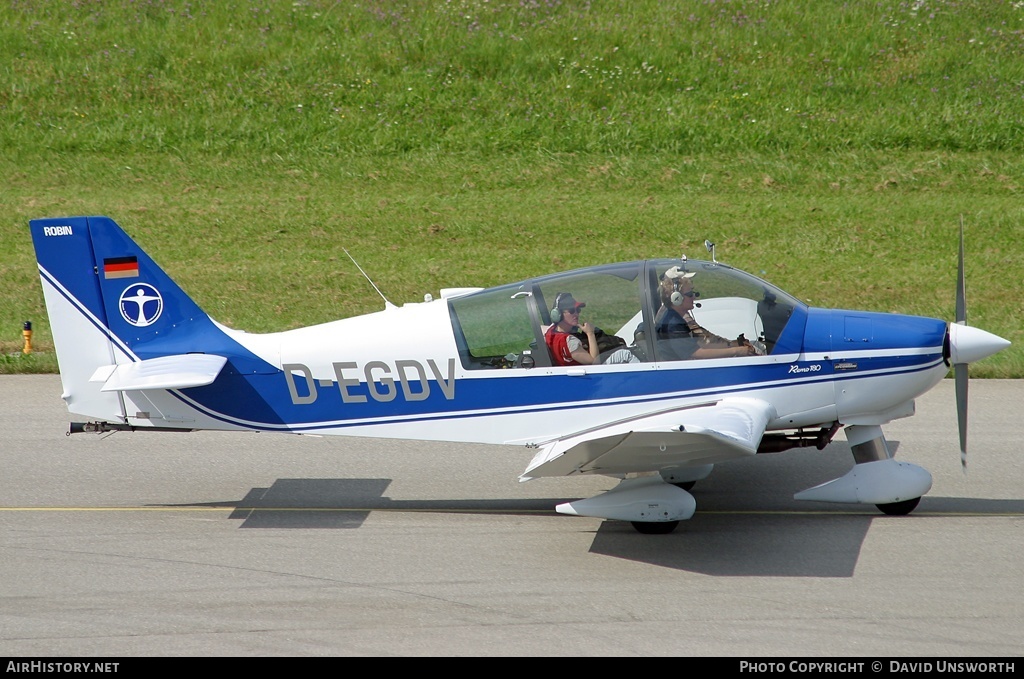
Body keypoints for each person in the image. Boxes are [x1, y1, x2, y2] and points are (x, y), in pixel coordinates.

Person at [654, 266, 761, 360]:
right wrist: (736, 351)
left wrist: (733, 345)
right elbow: (697, 353)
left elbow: (701, 344)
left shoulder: (674, 316)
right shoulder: (674, 324)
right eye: (690, 294)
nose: (694, 297)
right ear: (677, 298)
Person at [544, 292, 637, 366]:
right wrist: (590, 333)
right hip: (588, 375)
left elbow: (542, 328)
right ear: (557, 314)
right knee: (625, 354)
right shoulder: (570, 341)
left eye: (578, 310)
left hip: (572, 372)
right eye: (571, 311)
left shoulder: (551, 331)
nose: (576, 314)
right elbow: (594, 362)